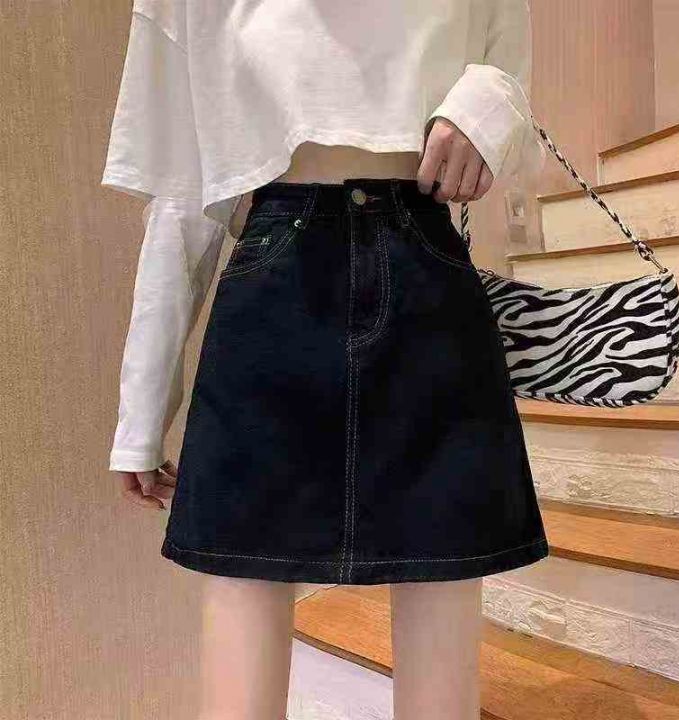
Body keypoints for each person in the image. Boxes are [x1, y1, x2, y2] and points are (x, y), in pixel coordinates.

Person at [100, 1, 548, 718]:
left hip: (426, 270)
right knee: (244, 576)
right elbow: (181, 199)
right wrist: (141, 415)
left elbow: (512, 85)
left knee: (442, 577)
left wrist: (488, 104)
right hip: (273, 277)